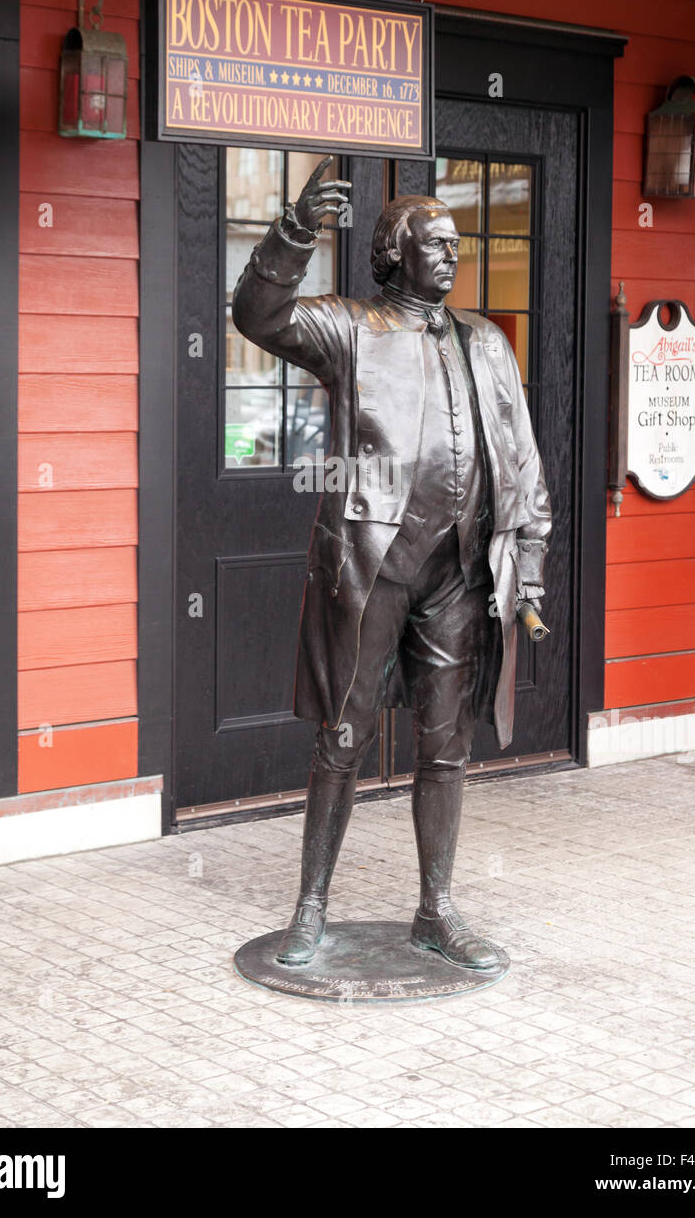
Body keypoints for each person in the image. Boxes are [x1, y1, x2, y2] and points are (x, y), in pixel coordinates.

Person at [232, 157, 551, 970]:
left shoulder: (485, 341)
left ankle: (436, 910)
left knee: (447, 747)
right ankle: (310, 908)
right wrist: (295, 231)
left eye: (455, 244)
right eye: (434, 244)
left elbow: (520, 457)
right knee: (343, 733)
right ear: (393, 254)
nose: (451, 256)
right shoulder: (350, 329)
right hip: (374, 565)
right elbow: (258, 315)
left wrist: (531, 557)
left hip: (460, 573)